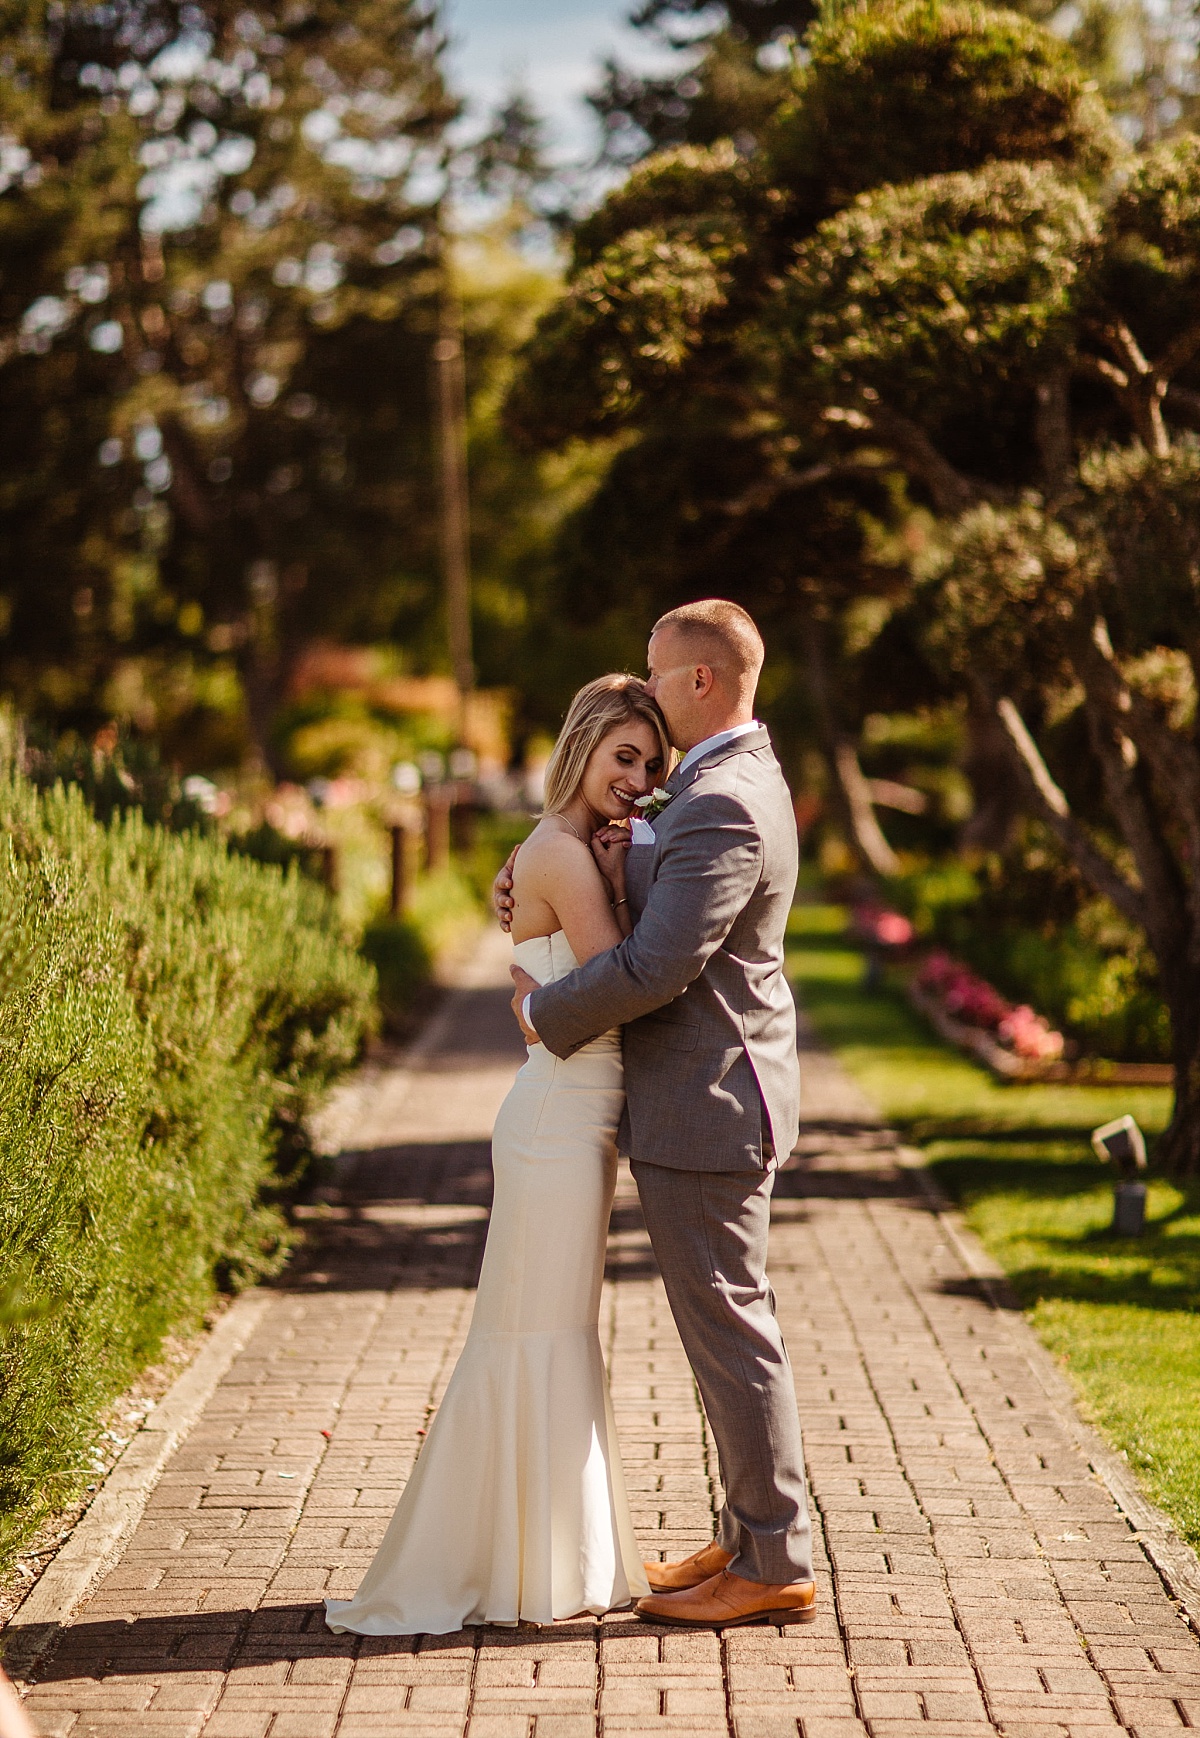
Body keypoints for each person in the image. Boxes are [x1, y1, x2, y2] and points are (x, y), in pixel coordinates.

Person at [325, 674, 669, 1634]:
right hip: (558, 1114)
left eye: (651, 764)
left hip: (574, 1112)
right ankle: (508, 1564)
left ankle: (551, 1558)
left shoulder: (561, 851)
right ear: (582, 747)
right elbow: (624, 979)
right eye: (623, 758)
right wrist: (612, 875)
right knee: (530, 1335)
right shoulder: (558, 854)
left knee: (553, 1333)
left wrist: (617, 858)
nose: (638, 780)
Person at [500, 599, 817, 1629]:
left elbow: (657, 965)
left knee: (729, 1326)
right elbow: (659, 893)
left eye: (655, 670)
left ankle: (772, 1558)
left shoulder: (723, 796)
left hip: (710, 1099)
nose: (645, 687)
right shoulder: (724, 780)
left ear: (699, 683)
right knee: (718, 1324)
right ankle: (744, 1529)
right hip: (707, 1094)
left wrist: (541, 1010)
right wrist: (565, 858)